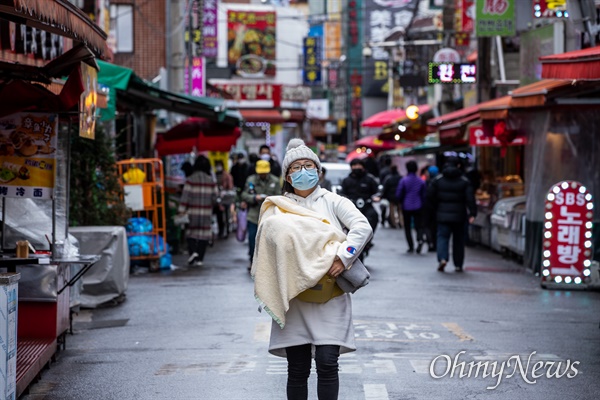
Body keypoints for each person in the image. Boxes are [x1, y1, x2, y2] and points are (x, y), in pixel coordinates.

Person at [252, 138, 372, 400]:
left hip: (330, 295)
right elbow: (266, 252)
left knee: (328, 363)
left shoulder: (333, 201)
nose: (303, 171)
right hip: (294, 298)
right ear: (287, 175)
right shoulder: (277, 208)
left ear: (318, 171)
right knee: (297, 368)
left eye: (309, 165)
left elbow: (362, 227)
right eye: (296, 167)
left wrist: (344, 257)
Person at [426, 156, 477, 272]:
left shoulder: (438, 180)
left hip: (442, 214)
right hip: (459, 215)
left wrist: (434, 210)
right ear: (458, 165)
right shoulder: (464, 181)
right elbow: (470, 198)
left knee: (442, 237)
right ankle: (458, 264)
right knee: (458, 240)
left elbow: (429, 196)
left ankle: (443, 258)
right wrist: (472, 213)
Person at [178, 156, 218, 267]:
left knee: (191, 233)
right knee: (204, 235)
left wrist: (181, 210)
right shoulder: (211, 181)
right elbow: (215, 198)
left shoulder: (190, 180)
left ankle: (193, 252)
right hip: (206, 212)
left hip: (193, 212)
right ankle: (200, 258)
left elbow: (185, 197)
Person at [241, 159, 280, 270]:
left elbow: (279, 196)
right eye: (261, 172)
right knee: (252, 239)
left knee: (269, 240)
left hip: (270, 215)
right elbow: (244, 194)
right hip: (254, 214)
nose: (262, 174)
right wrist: (254, 198)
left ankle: (267, 263)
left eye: (264, 172)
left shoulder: (275, 181)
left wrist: (269, 199)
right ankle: (252, 261)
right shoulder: (251, 180)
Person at [340, 159, 380, 258]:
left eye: (359, 165)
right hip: (351, 208)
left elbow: (377, 192)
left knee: (374, 216)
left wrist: (376, 197)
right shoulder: (346, 180)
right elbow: (341, 193)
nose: (357, 167)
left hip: (366, 207)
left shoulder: (369, 179)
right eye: (354, 165)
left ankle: (368, 241)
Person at [396, 160, 427, 253]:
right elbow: (424, 195)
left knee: (407, 227)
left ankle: (411, 246)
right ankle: (420, 239)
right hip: (418, 206)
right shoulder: (421, 181)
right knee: (419, 226)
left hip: (406, 206)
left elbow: (399, 194)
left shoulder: (404, 180)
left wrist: (400, 202)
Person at [214, 160, 235, 239]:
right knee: (219, 215)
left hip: (226, 198)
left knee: (226, 215)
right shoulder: (215, 175)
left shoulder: (226, 175)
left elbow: (230, 186)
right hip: (218, 198)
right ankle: (221, 230)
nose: (218, 167)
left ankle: (227, 230)